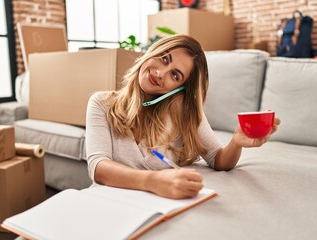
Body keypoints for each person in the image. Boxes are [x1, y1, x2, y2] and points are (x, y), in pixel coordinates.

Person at [86, 34, 281, 199]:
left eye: (175, 75)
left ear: (178, 89)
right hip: (110, 200)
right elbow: (98, 167)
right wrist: (153, 181)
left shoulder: (184, 111)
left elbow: (218, 159)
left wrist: (236, 142)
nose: (161, 73)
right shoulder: (101, 103)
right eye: (164, 59)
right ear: (154, 51)